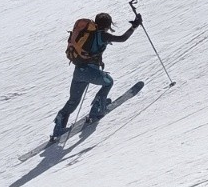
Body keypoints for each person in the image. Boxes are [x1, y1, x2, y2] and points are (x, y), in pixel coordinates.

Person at [50, 9, 141, 143]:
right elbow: (123, 38)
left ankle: (58, 126)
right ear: (107, 24)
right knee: (108, 82)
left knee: (73, 101)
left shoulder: (88, 34)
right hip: (90, 72)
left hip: (78, 71)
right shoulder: (103, 35)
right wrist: (134, 26)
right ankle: (97, 109)